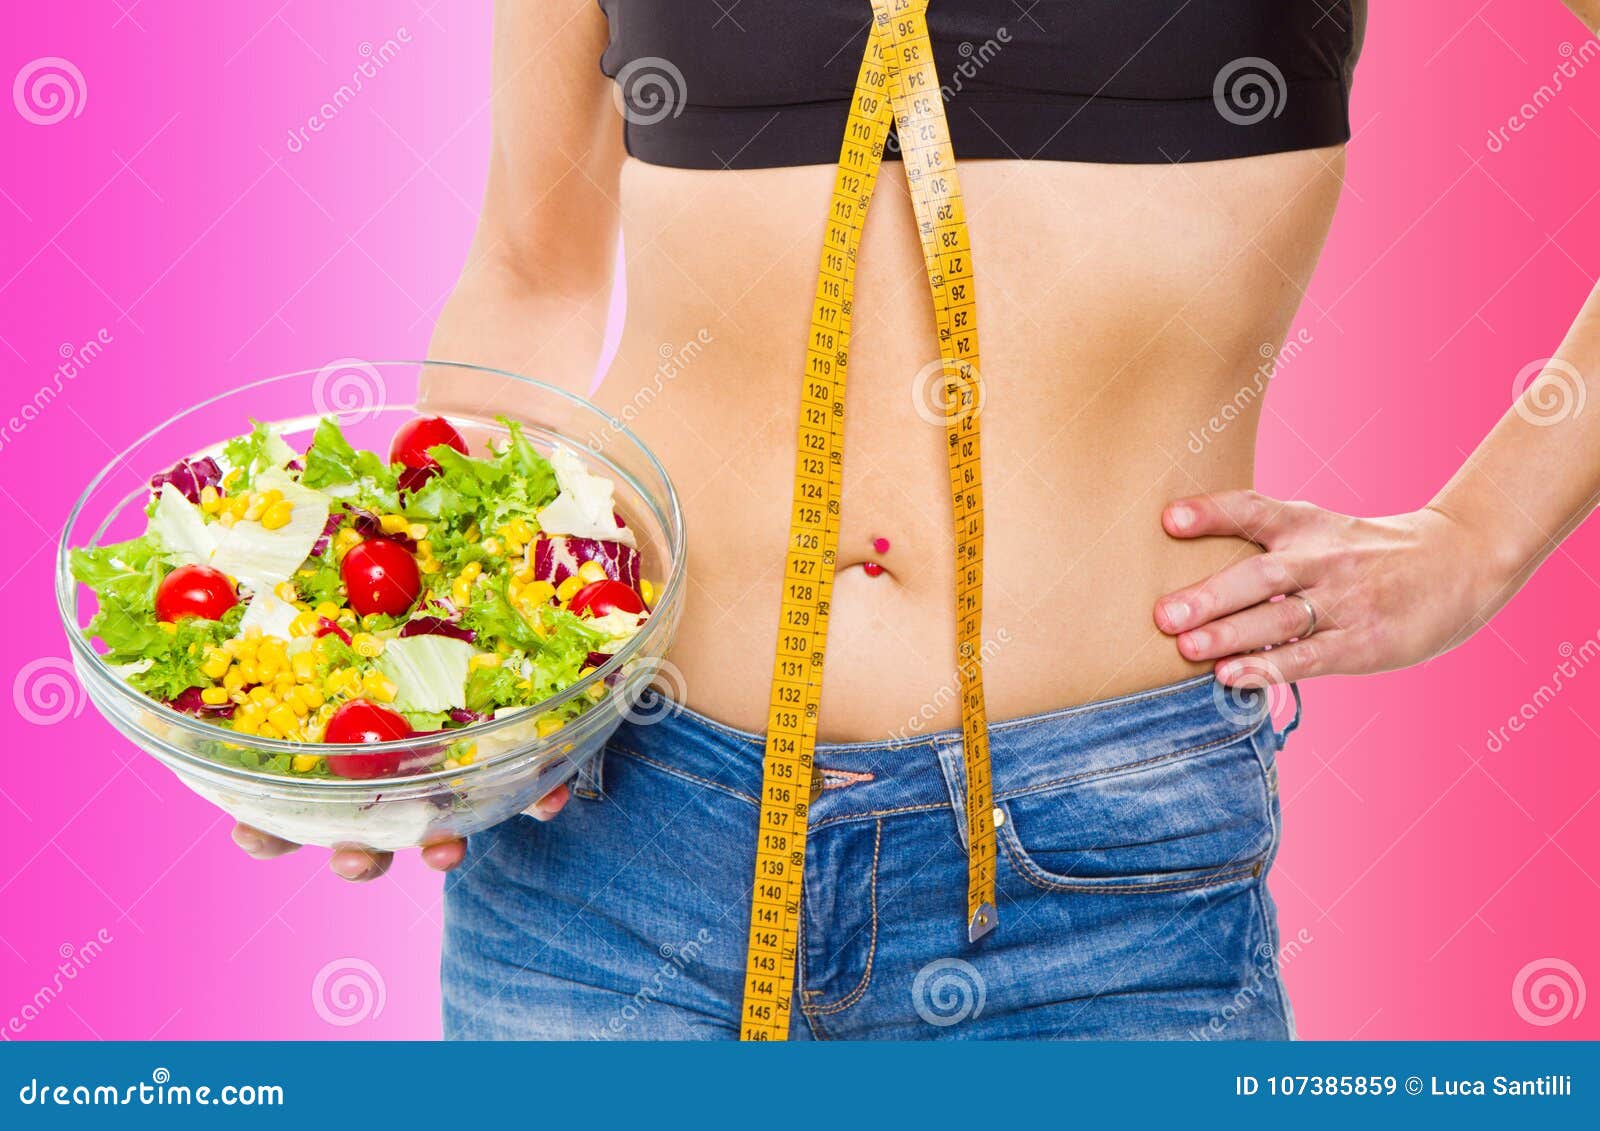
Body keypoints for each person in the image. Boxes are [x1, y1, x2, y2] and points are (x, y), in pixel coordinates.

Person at [233, 1, 1600, 1038]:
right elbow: (533, 270)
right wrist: (435, 665)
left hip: (1099, 883)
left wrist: (1481, 539)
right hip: (606, 840)